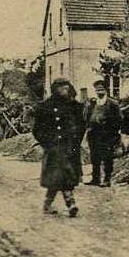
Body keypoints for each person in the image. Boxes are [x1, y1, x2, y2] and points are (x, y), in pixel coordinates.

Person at [33, 79, 86, 216]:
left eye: (67, 87)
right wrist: (47, 142)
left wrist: (75, 141)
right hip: (53, 147)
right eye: (62, 87)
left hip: (69, 146)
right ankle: (70, 203)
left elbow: (81, 125)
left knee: (62, 175)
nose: (65, 89)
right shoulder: (45, 106)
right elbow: (37, 129)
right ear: (55, 89)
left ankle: (49, 204)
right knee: (59, 175)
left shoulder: (74, 106)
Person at [84, 80, 122, 187]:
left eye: (101, 90)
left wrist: (113, 132)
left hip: (107, 135)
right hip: (94, 133)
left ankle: (107, 179)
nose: (99, 92)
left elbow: (119, 119)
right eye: (97, 90)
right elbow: (87, 117)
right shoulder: (93, 103)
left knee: (107, 157)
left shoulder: (112, 104)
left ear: (106, 90)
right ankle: (95, 178)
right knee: (94, 156)